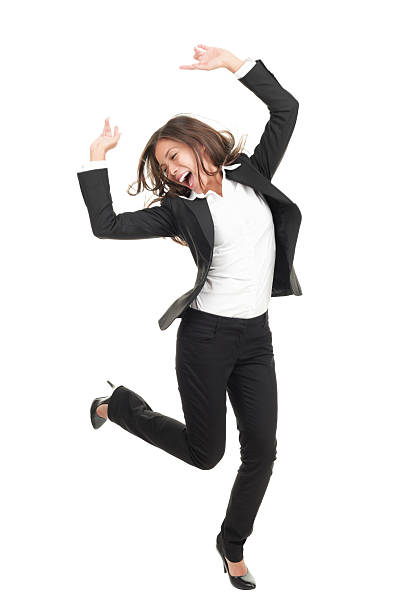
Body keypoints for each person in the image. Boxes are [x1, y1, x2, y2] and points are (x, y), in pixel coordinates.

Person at [77, 44, 302, 590]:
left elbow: (287, 110)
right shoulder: (178, 209)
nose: (176, 171)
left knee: (264, 451)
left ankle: (232, 544)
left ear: (198, 143)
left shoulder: (253, 174)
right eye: (166, 168)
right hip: (205, 338)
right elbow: (105, 226)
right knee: (207, 455)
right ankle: (120, 406)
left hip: (256, 337)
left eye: (177, 156)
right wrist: (96, 157)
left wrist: (234, 66)